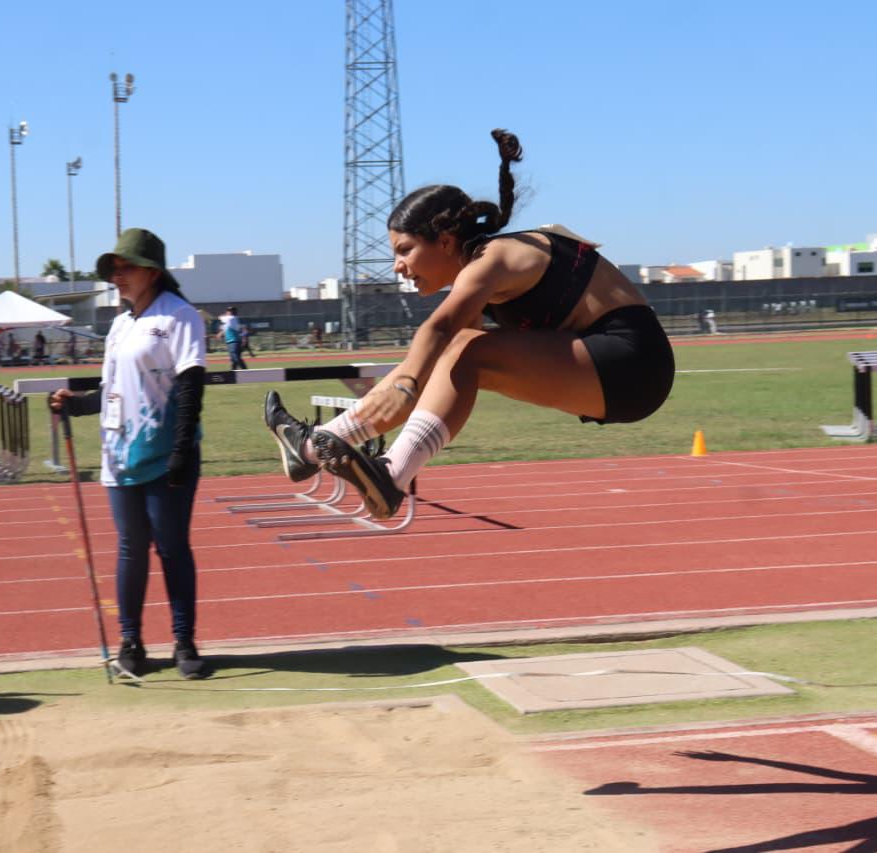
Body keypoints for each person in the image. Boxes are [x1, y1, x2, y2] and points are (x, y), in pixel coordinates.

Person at [265, 128, 675, 519]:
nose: (398, 266)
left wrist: (407, 381)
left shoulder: (492, 260)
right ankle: (310, 450)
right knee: (452, 354)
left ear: (444, 241)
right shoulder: (479, 273)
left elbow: (439, 330)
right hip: (606, 364)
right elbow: (436, 363)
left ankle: (390, 476)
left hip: (634, 362)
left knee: (463, 350)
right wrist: (400, 387)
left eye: (404, 249)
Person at [48, 228, 209, 680]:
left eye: (125, 267)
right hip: (119, 456)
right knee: (130, 549)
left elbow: (191, 384)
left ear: (152, 271)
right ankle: (131, 640)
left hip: (165, 455)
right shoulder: (120, 324)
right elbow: (112, 390)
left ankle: (184, 641)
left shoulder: (180, 316)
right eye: (113, 269)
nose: (117, 276)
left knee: (172, 548)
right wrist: (77, 405)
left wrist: (180, 449)